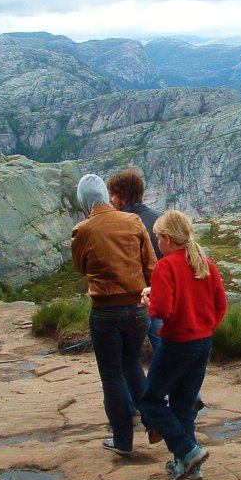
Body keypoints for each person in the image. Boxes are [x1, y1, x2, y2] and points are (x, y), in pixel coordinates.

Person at [70, 174, 157, 456]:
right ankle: (154, 422)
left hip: (105, 311)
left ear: (84, 200)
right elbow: (151, 265)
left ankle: (123, 440)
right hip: (137, 309)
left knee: (111, 375)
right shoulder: (133, 222)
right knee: (132, 366)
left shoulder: (83, 230)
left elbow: (79, 267)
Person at [138, 210, 227, 480]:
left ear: (165, 239)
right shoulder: (204, 263)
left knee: (150, 400)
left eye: (157, 238)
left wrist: (147, 303)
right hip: (202, 344)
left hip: (176, 343)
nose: (157, 243)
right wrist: (205, 328)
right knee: (183, 404)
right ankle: (188, 465)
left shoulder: (166, 266)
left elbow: (162, 309)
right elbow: (220, 305)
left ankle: (188, 450)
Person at [106, 168, 163, 352]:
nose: (110, 200)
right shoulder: (158, 219)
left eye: (113, 194)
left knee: (128, 357)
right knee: (162, 346)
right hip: (158, 294)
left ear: (123, 195)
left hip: (131, 300)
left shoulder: (119, 223)